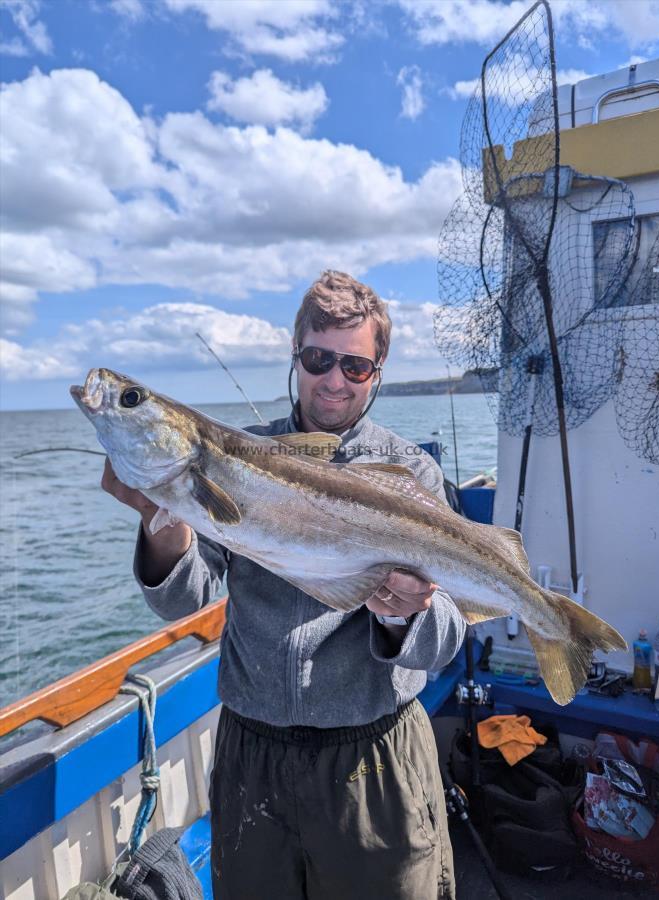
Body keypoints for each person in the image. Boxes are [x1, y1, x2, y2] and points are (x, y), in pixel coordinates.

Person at [103, 271, 466, 899]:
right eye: (319, 358)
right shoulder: (241, 459)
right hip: (252, 757)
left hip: (374, 760)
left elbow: (444, 643)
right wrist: (161, 525)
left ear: (378, 372)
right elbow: (186, 599)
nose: (333, 379)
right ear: (295, 356)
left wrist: (407, 616)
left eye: (355, 366)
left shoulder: (410, 474)